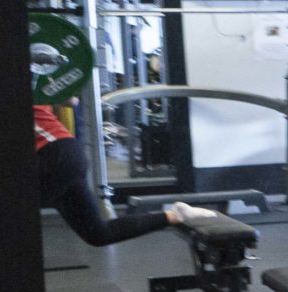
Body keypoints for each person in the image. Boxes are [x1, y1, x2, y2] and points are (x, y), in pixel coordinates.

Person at [35, 104, 210, 246]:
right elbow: (70, 99)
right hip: (64, 154)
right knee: (98, 233)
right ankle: (176, 215)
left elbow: (70, 98)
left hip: (53, 156)